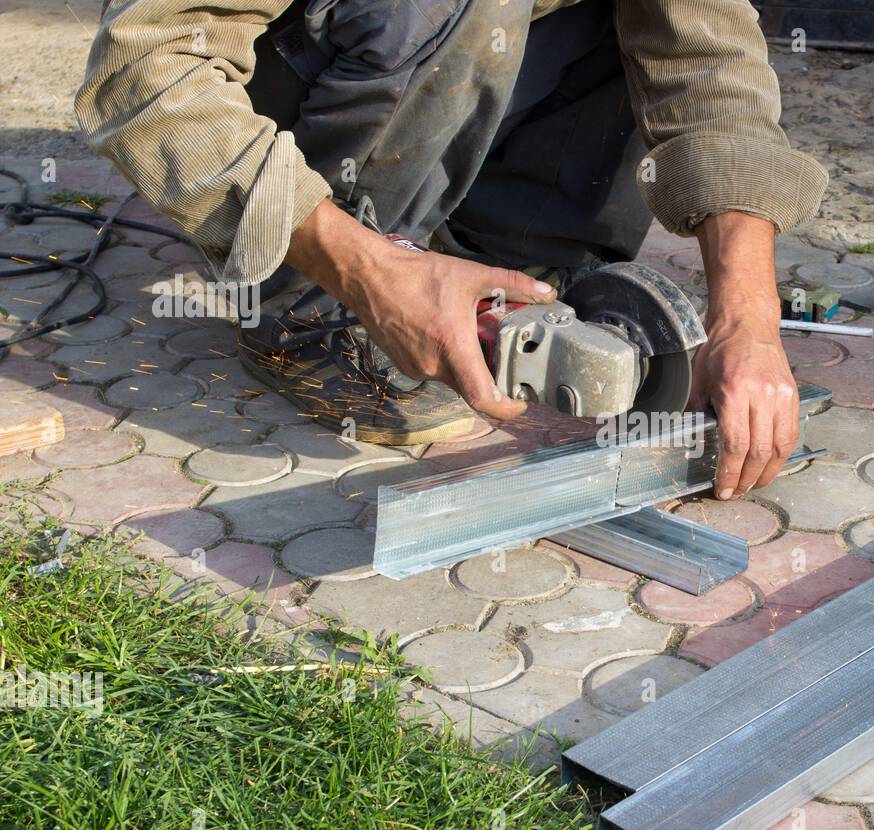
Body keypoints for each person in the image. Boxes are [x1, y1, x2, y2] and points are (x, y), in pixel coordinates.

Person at [76, 0, 827, 499]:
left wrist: (747, 321)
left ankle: (503, 263)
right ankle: (320, 304)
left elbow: (710, 65)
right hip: (298, 89)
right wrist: (368, 269)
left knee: (634, 17)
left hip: (457, 61)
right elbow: (144, 69)